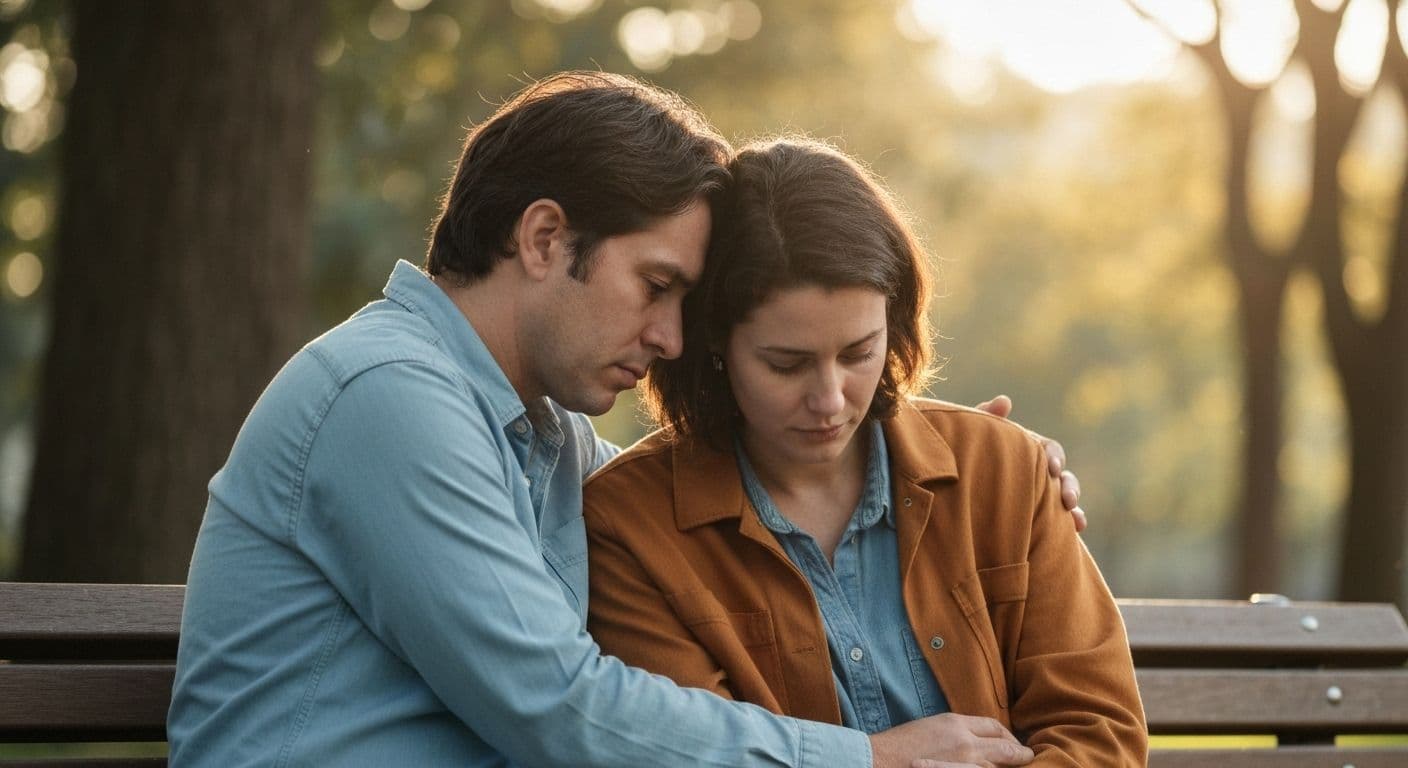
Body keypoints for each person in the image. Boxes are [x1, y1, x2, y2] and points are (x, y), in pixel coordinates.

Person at [169, 72, 1080, 767]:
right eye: (656, 286)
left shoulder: (544, 439)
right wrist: (871, 757)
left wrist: (981, 466)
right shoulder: (388, 396)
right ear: (542, 240)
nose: (673, 337)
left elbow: (715, 498)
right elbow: (555, 704)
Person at [583, 138, 1147, 765]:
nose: (829, 400)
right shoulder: (629, 526)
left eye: (857, 353)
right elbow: (696, 755)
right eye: (786, 364)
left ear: (895, 323)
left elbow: (1101, 734)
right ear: (715, 340)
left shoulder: (1004, 469)